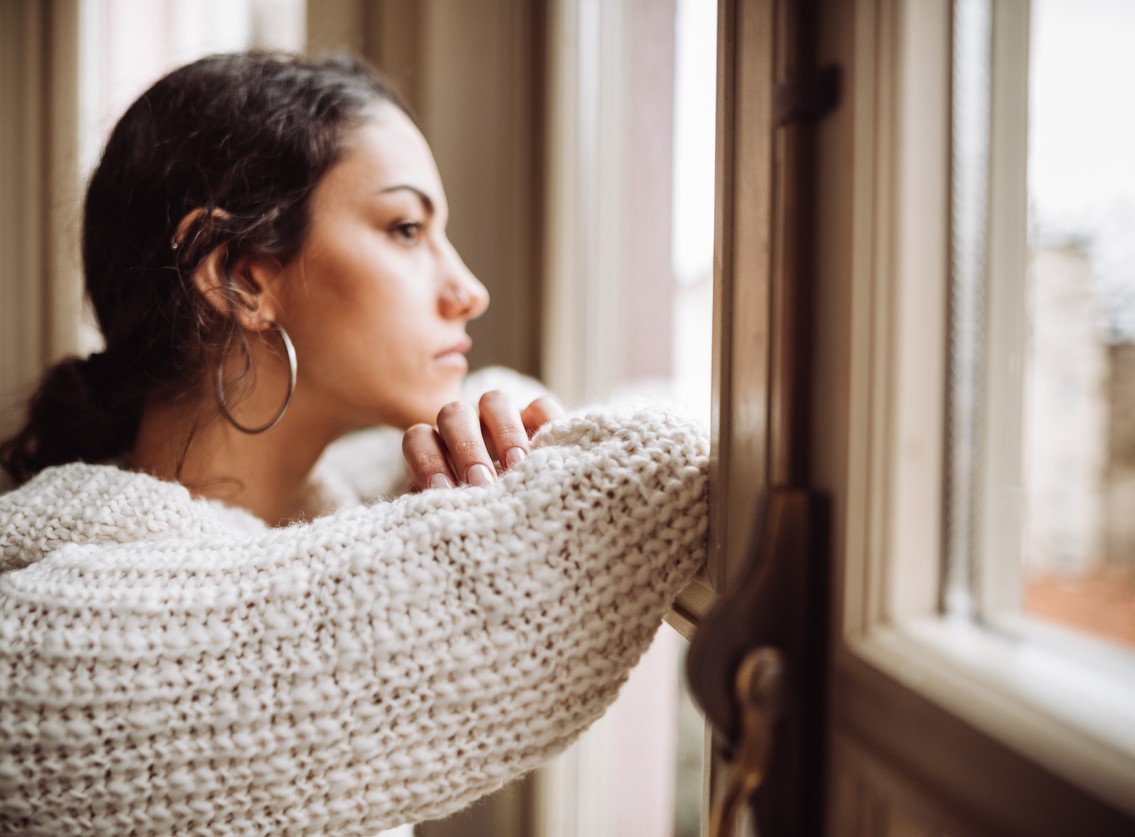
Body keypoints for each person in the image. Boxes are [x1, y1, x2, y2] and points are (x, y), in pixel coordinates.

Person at [0, 52, 708, 834]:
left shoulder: (305, 515)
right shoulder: (58, 648)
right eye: (405, 229)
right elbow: (644, 475)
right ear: (240, 277)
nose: (468, 289)